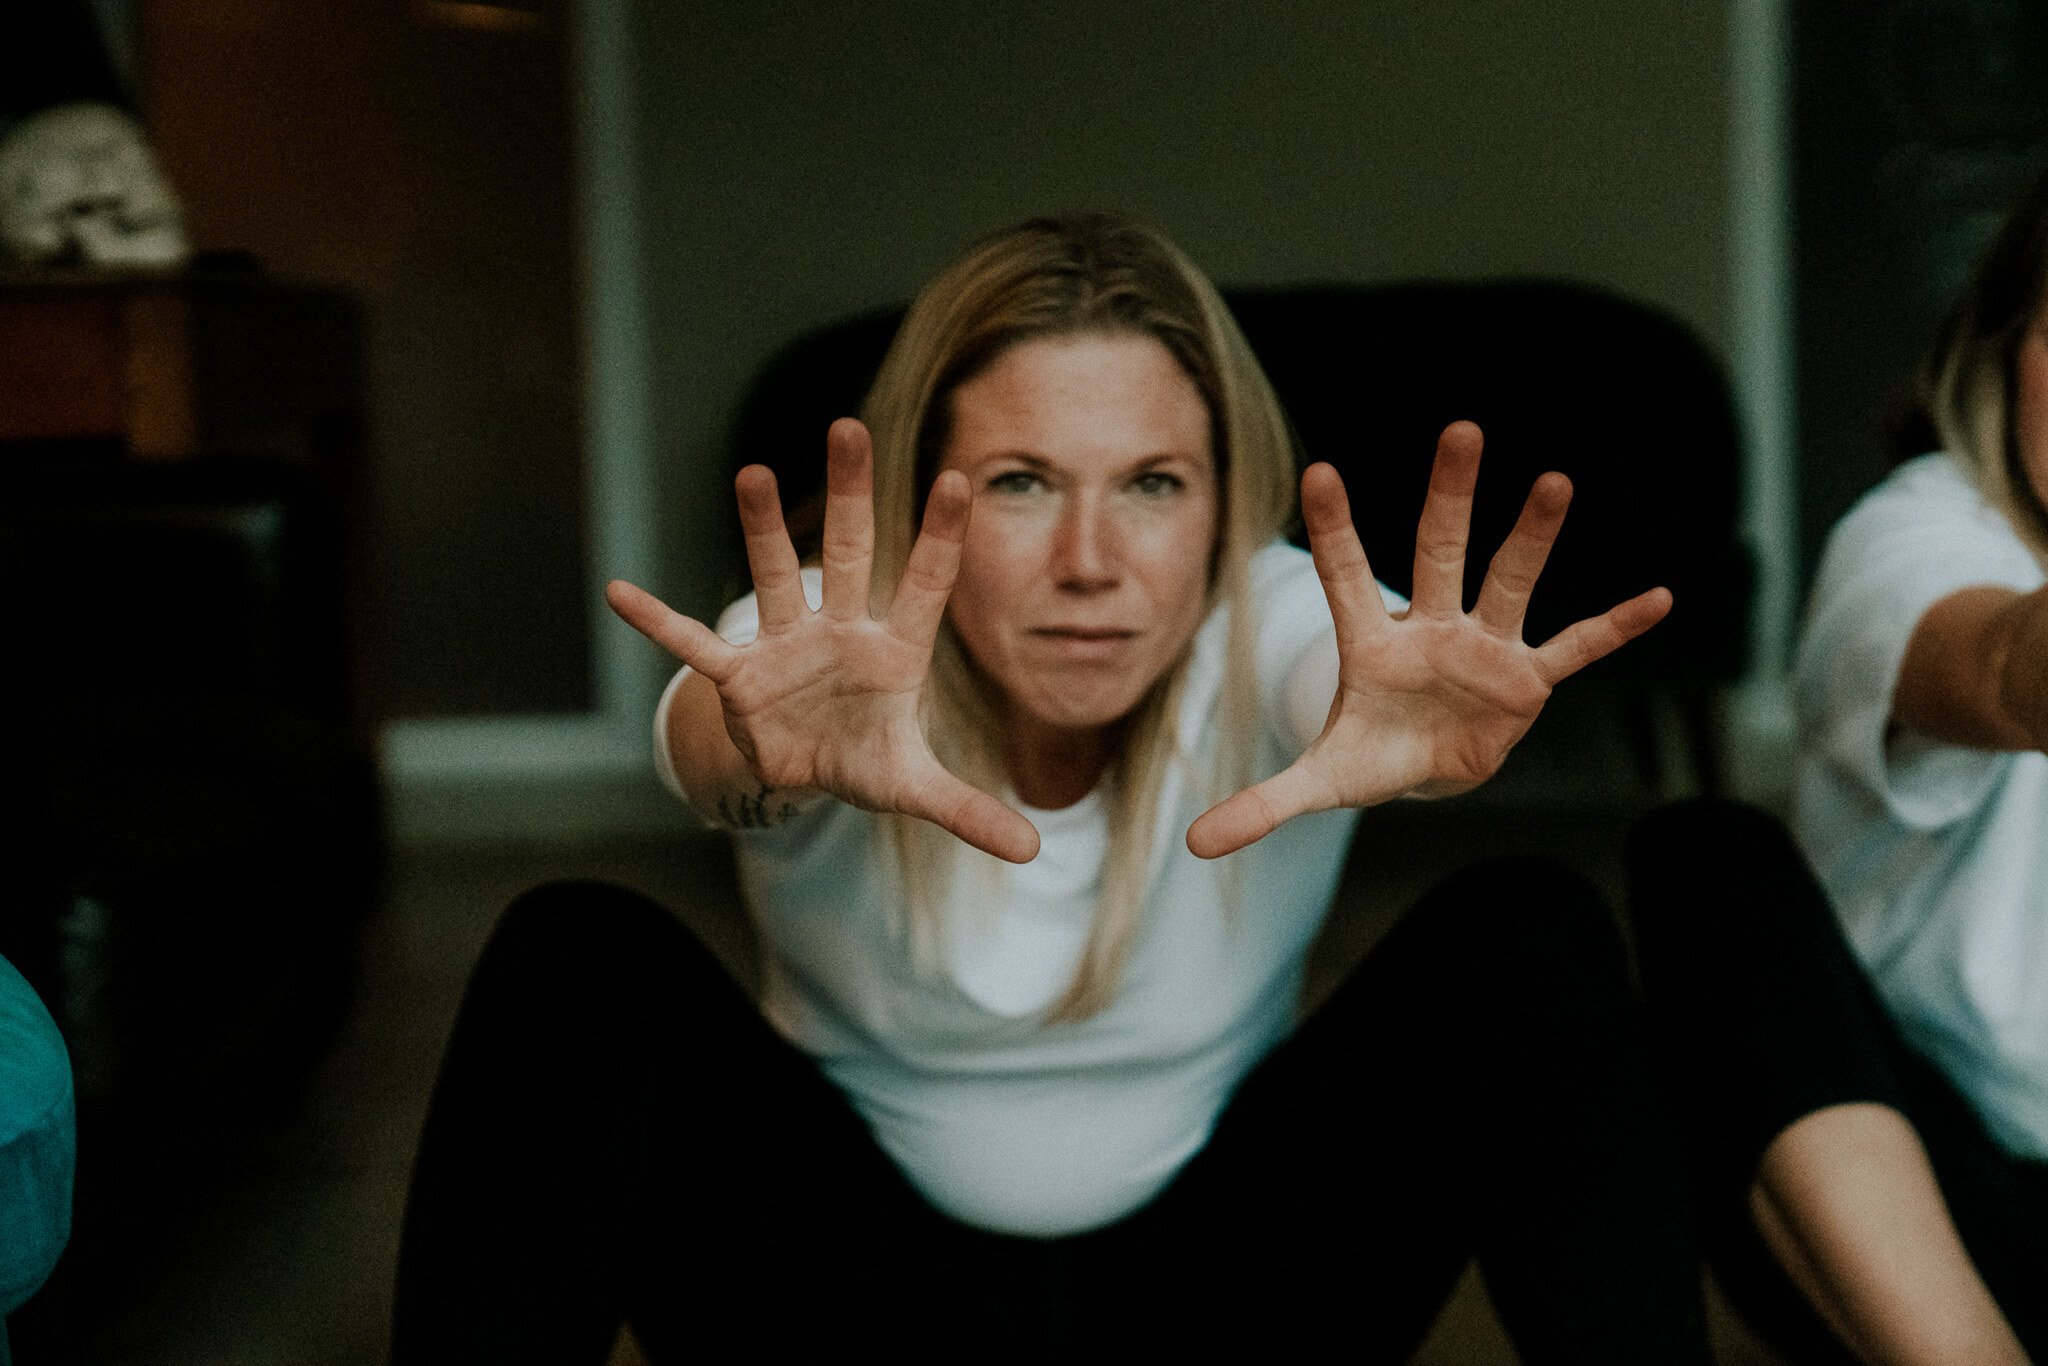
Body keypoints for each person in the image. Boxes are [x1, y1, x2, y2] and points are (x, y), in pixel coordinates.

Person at [391, 213, 1709, 1362]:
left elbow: (1327, 662)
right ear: (925, 501)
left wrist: (1381, 711)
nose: (1092, 560)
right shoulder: (830, 643)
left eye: (1152, 483)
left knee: (1526, 931)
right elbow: (707, 732)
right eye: (1022, 483)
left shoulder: (1282, 617)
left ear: (1223, 504)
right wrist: (756, 755)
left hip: (1227, 1308)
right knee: (574, 951)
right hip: (849, 1310)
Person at [1629, 171, 2048, 1365]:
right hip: (1911, 1210)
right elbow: (2006, 670)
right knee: (1705, 860)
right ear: (2001, 347)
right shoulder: (1912, 531)